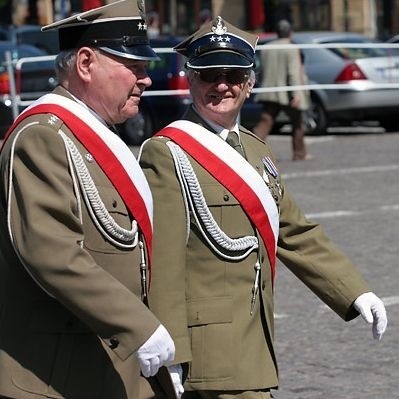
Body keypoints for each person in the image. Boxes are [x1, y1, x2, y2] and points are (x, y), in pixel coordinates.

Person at [138, 16, 388, 399]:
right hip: (207, 353)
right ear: (190, 80)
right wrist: (171, 349)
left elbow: (293, 230)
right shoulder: (167, 152)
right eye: (209, 75)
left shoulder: (257, 149)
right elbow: (163, 259)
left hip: (255, 339)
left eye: (234, 75)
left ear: (250, 84)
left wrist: (354, 292)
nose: (222, 85)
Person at [0, 1, 177, 398]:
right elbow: (52, 252)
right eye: (135, 66)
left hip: (108, 362)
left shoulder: (95, 134)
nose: (146, 80)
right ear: (85, 63)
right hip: (59, 373)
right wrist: (138, 326)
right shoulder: (43, 136)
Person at [254, 19, 312, 161]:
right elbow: (293, 73)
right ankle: (300, 153)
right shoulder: (291, 48)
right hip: (287, 93)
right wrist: (296, 94)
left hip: (269, 91)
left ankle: (252, 150)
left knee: (265, 122)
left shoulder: (267, 48)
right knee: (297, 123)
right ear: (290, 32)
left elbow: (261, 69)